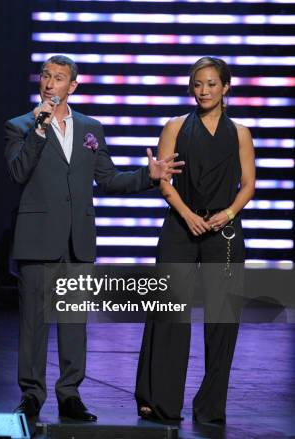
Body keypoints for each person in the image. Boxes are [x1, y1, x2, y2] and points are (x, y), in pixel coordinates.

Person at [4, 55, 184, 422]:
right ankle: (32, 396)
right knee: (33, 325)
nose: (50, 83)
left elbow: (109, 179)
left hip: (77, 239)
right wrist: (39, 130)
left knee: (74, 324)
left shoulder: (91, 128)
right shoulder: (20, 126)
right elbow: (18, 171)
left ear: (72, 86)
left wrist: (149, 176)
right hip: (37, 237)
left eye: (59, 78)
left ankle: (70, 395)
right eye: (46, 76)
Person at [135, 56, 255, 424]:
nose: (204, 91)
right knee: (168, 312)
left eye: (211, 84)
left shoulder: (240, 133)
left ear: (225, 88)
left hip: (224, 231)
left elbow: (248, 185)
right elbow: (164, 181)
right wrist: (187, 215)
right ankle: (158, 401)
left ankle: (210, 407)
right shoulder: (174, 127)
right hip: (179, 227)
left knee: (222, 320)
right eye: (198, 84)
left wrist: (229, 214)